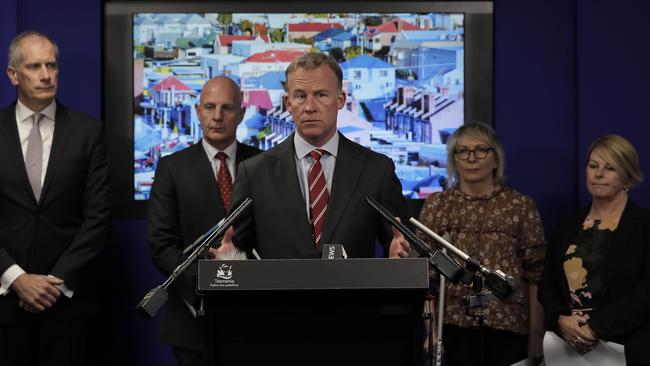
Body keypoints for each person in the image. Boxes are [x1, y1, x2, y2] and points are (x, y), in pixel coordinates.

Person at [227, 51, 410, 259]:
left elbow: (400, 244)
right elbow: (235, 250)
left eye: (321, 95)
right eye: (300, 96)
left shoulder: (377, 170)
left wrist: (400, 255)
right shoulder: (255, 173)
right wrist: (227, 256)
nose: (310, 107)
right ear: (288, 103)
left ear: (340, 99)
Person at [0, 31, 110, 366]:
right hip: (3, 304)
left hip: (66, 307)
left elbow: (98, 217)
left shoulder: (88, 132)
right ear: (13, 75)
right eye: (35, 66)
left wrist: (52, 285)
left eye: (51, 65)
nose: (46, 75)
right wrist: (15, 278)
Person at [147, 76, 261, 366]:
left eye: (227, 108)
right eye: (209, 107)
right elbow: (161, 245)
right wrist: (207, 287)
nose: (217, 116)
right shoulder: (172, 168)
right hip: (191, 318)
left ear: (242, 113)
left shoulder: (264, 165)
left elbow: (275, 235)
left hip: (254, 317)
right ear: (198, 111)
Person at [416, 122, 546, 366]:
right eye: (462, 151)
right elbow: (426, 278)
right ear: (454, 160)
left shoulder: (520, 205)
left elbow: (535, 275)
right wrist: (431, 332)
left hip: (508, 325)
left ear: (496, 159)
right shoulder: (438, 205)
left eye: (480, 150)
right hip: (454, 325)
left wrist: (536, 336)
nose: (471, 158)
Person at [539, 135, 649, 366]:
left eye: (610, 168)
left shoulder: (643, 227)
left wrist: (596, 327)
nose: (598, 174)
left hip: (627, 348)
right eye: (593, 166)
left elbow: (645, 293)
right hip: (566, 347)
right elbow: (547, 286)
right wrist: (561, 319)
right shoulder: (567, 225)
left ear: (627, 176)